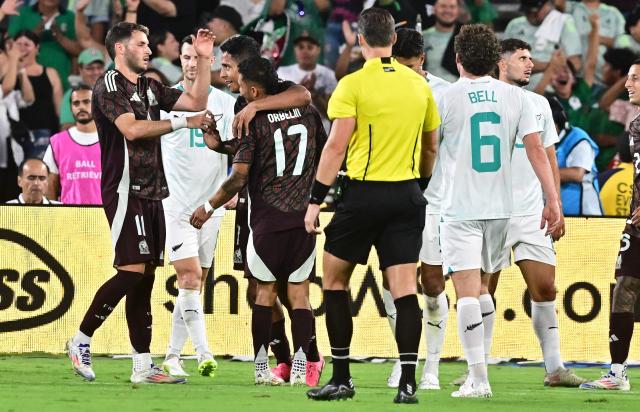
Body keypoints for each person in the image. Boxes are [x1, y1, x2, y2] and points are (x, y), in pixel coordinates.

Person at [65, 22, 216, 384]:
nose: (149, 50)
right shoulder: (109, 86)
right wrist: (183, 123)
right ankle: (80, 340)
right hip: (124, 191)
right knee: (131, 271)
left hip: (153, 190)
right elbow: (131, 129)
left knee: (145, 277)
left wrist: (206, 59)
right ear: (120, 49)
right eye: (141, 44)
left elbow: (196, 100)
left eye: (149, 44)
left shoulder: (149, 86)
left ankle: (142, 365)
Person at [304, 8, 440, 404]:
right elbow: (431, 146)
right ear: (394, 40)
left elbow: (336, 147)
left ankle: (342, 377)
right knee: (403, 291)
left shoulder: (352, 85)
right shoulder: (419, 86)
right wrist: (420, 185)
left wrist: (315, 201)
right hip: (406, 196)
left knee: (334, 281)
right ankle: (408, 383)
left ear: (360, 40)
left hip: (362, 196)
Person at [437, 24, 560, 398]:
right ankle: (485, 369)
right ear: (495, 61)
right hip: (502, 210)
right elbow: (537, 151)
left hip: (460, 207)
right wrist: (553, 200)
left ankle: (478, 378)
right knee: (484, 290)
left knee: (470, 293)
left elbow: (429, 151)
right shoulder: (519, 100)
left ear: (458, 59)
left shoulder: (444, 97)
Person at [191, 56, 327, 386]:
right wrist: (223, 145)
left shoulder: (253, 119)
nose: (234, 86)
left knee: (263, 294)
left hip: (266, 221)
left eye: (238, 82)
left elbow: (239, 178)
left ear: (253, 88)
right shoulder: (307, 112)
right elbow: (323, 153)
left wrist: (208, 207)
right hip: (302, 218)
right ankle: (300, 365)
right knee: (300, 296)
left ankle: (261, 368)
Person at [488, 38, 586, 388]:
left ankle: (555, 367)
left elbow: (549, 157)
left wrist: (553, 202)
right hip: (490, 212)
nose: (530, 64)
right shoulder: (483, 100)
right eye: (522, 58)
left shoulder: (540, 103)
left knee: (545, 288)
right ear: (501, 62)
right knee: (484, 292)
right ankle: (477, 368)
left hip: (532, 213)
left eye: (531, 58)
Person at [159, 35, 236, 378]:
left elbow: (240, 150)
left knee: (196, 284)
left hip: (212, 207)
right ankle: (204, 353)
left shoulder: (226, 103)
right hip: (176, 207)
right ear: (179, 60)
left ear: (209, 62)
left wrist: (232, 188)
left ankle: (173, 356)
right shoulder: (166, 101)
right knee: (188, 278)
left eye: (198, 58)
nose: (192, 63)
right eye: (187, 57)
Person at [384, 27, 450, 392]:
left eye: (410, 66)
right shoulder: (384, 88)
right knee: (391, 282)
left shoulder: (445, 93)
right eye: (398, 65)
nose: (405, 73)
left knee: (433, 283)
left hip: (435, 200)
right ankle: (402, 358)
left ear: (422, 60)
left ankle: (433, 367)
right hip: (393, 196)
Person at [580, 59, 640, 391]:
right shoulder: (635, 125)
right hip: (636, 224)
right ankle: (617, 371)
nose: (628, 84)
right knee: (623, 287)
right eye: (628, 76)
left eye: (635, 79)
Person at [43, 84, 101, 205]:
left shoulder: (110, 141)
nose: (81, 107)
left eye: (86, 102)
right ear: (70, 108)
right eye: (76, 103)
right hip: (68, 218)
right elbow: (50, 184)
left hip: (104, 216)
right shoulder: (57, 142)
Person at [504, 0, 582, 90]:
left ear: (548, 5)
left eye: (535, 11)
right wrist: (549, 65)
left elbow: (576, 63)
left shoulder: (563, 22)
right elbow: (505, 62)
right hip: (518, 90)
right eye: (527, 11)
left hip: (552, 90)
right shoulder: (514, 25)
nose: (531, 14)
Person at [8, 0, 81, 91]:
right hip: (27, 78)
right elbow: (9, 45)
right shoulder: (23, 13)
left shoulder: (70, 16)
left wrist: (59, 37)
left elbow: (78, 51)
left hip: (62, 79)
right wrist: (34, 34)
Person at [13, 30, 62, 159]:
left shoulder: (51, 73)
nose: (22, 48)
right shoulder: (8, 76)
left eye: (26, 44)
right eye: (18, 44)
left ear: (36, 48)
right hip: (16, 135)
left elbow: (59, 110)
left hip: (46, 133)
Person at [551, 97, 603, 216]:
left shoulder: (578, 138)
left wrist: (539, 174)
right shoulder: (542, 140)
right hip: (561, 211)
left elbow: (577, 174)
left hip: (585, 213)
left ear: (558, 120)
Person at [277, 33, 337, 133]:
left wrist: (314, 94)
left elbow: (331, 115)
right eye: (300, 47)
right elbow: (276, 111)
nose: (305, 51)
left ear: (318, 50)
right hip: (291, 131)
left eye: (310, 47)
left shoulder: (329, 75)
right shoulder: (282, 73)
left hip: (321, 133)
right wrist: (297, 93)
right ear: (295, 50)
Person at [566, 0, 625, 84]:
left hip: (606, 79)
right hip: (577, 76)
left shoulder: (613, 12)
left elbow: (624, 45)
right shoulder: (571, 8)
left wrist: (597, 37)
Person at [59, 48, 105, 130]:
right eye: (90, 68)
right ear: (80, 70)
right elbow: (66, 127)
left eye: (99, 67)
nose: (96, 72)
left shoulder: (114, 91)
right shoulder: (72, 94)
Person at [422, 0, 461, 83]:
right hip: (430, 91)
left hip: (459, 92)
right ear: (434, 9)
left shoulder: (467, 37)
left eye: (452, 7)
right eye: (443, 6)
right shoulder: (422, 37)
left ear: (458, 10)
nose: (447, 10)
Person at [206, 5, 244, 89]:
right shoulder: (227, 45)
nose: (208, 24)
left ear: (224, 26)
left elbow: (237, 77)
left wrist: (201, 76)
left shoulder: (237, 43)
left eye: (211, 20)